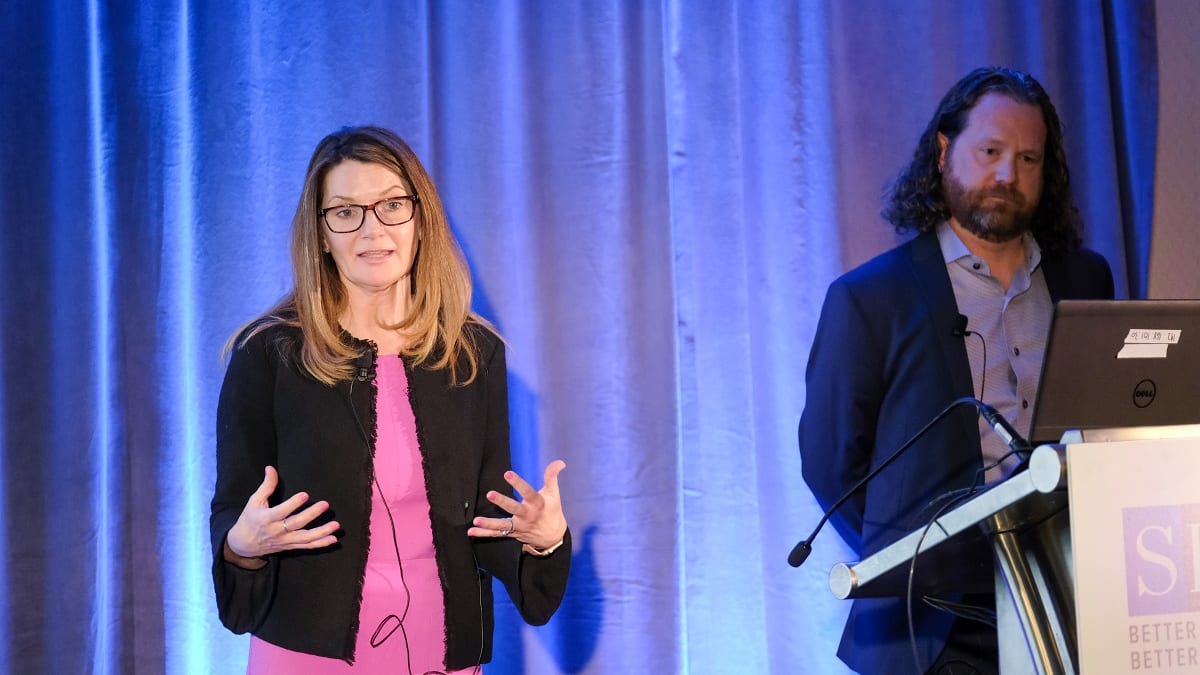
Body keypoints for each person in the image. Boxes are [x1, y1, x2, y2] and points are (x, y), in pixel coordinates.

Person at [210, 126, 571, 674]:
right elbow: (235, 514)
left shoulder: (473, 355)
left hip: (441, 652)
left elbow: (485, 521)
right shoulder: (270, 355)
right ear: (321, 234)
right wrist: (243, 544)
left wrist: (542, 542)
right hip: (308, 653)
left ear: (421, 220)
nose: (371, 229)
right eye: (345, 211)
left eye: (391, 206)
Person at [798, 67, 1114, 674]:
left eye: (1028, 158)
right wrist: (922, 556)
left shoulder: (1085, 281)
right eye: (990, 151)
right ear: (944, 152)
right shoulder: (869, 298)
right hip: (934, 625)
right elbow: (830, 463)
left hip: (1072, 601)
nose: (1007, 175)